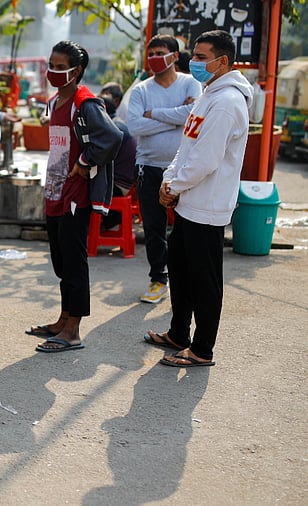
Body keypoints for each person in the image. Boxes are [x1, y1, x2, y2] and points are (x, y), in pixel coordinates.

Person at [148, 30, 252, 367]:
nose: (194, 62)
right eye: (194, 55)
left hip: (207, 205)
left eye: (202, 57)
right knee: (179, 270)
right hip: (188, 200)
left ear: (223, 61)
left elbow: (206, 160)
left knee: (205, 281)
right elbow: (187, 147)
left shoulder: (227, 102)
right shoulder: (209, 95)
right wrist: (170, 182)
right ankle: (179, 333)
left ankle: (202, 349)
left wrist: (173, 187)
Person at [25, 40, 122, 352]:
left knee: (74, 260)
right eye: (50, 64)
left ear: (76, 70)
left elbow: (111, 137)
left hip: (76, 194)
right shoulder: (56, 101)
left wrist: (83, 165)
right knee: (60, 259)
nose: (53, 71)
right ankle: (63, 318)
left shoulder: (86, 103)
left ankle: (73, 331)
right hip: (56, 189)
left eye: (59, 66)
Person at [125, 34, 202, 304]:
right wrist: (176, 117)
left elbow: (194, 116)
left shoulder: (191, 83)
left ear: (174, 56)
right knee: (154, 227)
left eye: (161, 52)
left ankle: (185, 279)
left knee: (186, 226)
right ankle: (158, 278)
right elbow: (134, 127)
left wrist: (154, 113)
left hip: (185, 168)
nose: (155, 58)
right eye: (151, 53)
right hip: (149, 168)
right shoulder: (141, 90)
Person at [98, 83, 137, 230]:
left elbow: (97, 159)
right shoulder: (117, 123)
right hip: (123, 183)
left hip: (119, 187)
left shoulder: (113, 128)